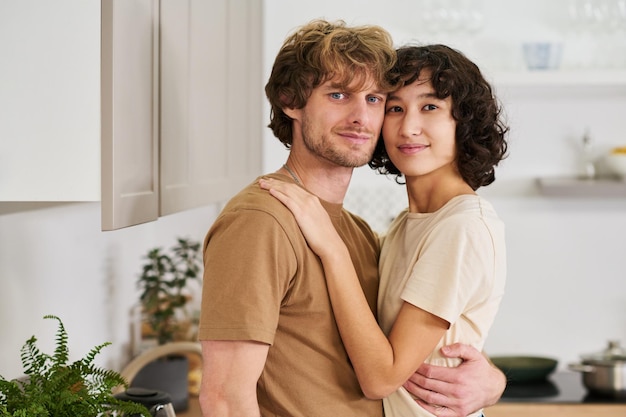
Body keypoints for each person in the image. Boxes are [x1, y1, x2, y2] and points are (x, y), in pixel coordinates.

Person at [198, 20, 506, 417]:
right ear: (291, 101)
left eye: (376, 99)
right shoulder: (262, 221)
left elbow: (422, 339)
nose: (362, 117)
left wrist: (490, 380)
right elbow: (224, 400)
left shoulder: (358, 233)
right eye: (339, 94)